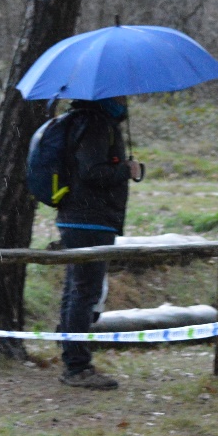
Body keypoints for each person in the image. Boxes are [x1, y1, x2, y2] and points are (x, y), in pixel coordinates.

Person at [54, 97, 144, 390]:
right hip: (89, 219)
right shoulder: (96, 124)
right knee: (85, 292)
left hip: (80, 217)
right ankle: (77, 366)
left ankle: (72, 354)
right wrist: (125, 170)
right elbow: (92, 172)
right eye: (121, 95)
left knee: (77, 290)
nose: (125, 99)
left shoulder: (84, 120)